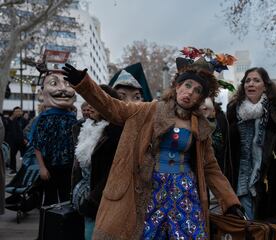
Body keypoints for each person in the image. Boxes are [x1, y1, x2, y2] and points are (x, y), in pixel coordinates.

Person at [62, 55, 243, 239]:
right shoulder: (149, 110)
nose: (190, 93)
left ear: (201, 98)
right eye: (187, 85)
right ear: (177, 86)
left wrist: (230, 202)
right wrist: (84, 84)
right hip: (151, 189)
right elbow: (113, 107)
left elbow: (211, 168)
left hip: (185, 191)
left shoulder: (201, 127)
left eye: (197, 90)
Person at [227, 67, 276, 220]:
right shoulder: (233, 111)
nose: (251, 84)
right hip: (239, 179)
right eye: (247, 80)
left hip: (270, 182)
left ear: (265, 86)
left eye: (256, 80)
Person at [72, 85, 124, 240]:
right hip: (84, 196)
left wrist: (93, 199)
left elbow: (114, 172)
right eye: (89, 102)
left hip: (101, 198)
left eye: (95, 102)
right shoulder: (84, 127)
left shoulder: (115, 132)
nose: (89, 106)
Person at [30, 68, 77, 206]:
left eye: (68, 84)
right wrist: (42, 167)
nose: (63, 89)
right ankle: (48, 227)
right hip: (50, 166)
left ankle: (64, 227)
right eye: (54, 83)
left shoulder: (73, 119)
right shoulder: (43, 119)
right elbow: (37, 144)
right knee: (49, 201)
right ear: (42, 93)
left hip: (68, 168)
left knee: (66, 201)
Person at [3, 106, 26, 174]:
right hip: (13, 141)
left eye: (19, 111)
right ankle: (13, 169)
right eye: (16, 111)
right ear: (13, 112)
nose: (18, 113)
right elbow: (7, 130)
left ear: (22, 112)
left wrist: (25, 138)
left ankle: (24, 169)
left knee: (24, 155)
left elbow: (27, 130)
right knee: (12, 155)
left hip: (22, 140)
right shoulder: (10, 120)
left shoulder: (24, 120)